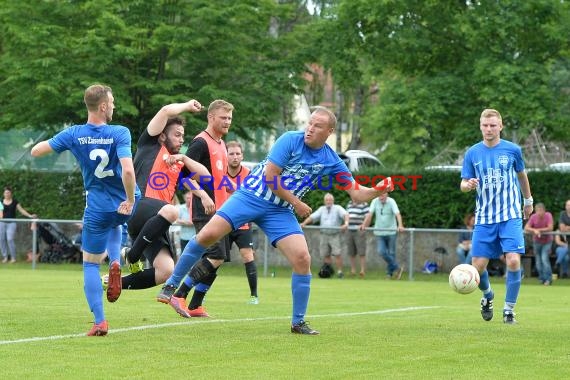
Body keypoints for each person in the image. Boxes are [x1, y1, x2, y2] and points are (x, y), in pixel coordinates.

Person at [157, 105, 394, 335]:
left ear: (329, 132)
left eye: (317, 125)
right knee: (207, 236)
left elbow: (356, 193)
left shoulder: (331, 159)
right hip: (251, 196)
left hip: (278, 211)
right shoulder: (290, 139)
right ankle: (171, 285)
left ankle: (298, 322)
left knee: (303, 258)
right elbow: (271, 178)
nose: (310, 128)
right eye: (309, 122)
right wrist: (299, 204)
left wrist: (377, 190)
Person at [30, 84, 139, 336]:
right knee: (118, 222)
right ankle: (115, 261)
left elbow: (36, 151)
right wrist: (131, 200)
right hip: (126, 202)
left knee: (90, 264)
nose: (113, 106)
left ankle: (100, 321)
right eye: (111, 102)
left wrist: (55, 143)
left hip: (97, 207)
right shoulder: (120, 132)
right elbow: (129, 171)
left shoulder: (74, 134)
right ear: (102, 106)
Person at [119, 100, 212, 291]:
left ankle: (113, 283)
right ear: (162, 136)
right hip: (140, 207)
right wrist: (187, 105)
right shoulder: (150, 143)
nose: (181, 140)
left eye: (183, 137)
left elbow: (205, 176)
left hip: (153, 223)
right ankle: (132, 256)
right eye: (177, 135)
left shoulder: (178, 163)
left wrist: (185, 159)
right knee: (172, 210)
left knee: (166, 271)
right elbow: (164, 110)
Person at [460, 108, 533, 324]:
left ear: (500, 126)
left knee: (512, 261)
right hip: (484, 218)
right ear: (480, 126)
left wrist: (527, 200)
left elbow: (522, 175)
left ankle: (509, 309)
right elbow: (463, 184)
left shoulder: (512, 150)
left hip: (510, 215)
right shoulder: (472, 153)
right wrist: (468, 185)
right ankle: (488, 296)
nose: (489, 129)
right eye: (485, 125)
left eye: (493, 125)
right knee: (478, 267)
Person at [165, 99, 234, 318]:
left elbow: (218, 178)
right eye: (223, 117)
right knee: (215, 256)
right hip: (205, 209)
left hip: (222, 210)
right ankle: (179, 294)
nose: (227, 122)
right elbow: (183, 177)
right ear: (211, 117)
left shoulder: (222, 144)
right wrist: (203, 195)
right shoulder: (200, 143)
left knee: (219, 259)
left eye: (230, 118)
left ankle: (195, 305)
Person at [225, 140, 259, 304]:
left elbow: (253, 196)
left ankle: (254, 296)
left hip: (242, 223)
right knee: (214, 259)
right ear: (226, 155)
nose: (235, 157)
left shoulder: (248, 173)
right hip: (222, 222)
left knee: (248, 256)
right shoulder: (219, 173)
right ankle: (199, 296)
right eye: (231, 153)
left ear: (242, 155)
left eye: (238, 153)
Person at [300, 193, 349, 278]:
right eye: (327, 200)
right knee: (325, 254)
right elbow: (312, 217)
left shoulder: (338, 208)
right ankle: (328, 272)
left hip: (334, 235)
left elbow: (346, 214)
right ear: (324, 201)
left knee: (337, 254)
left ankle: (340, 272)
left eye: (330, 200)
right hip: (324, 235)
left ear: (333, 201)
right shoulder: (322, 209)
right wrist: (304, 223)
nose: (328, 201)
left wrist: (346, 223)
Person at [361, 193, 405, 280]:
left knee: (391, 253)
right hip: (379, 232)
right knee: (381, 251)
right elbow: (369, 214)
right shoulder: (374, 201)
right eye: (379, 195)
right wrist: (364, 225)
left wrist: (400, 225)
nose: (381, 197)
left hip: (391, 231)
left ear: (386, 195)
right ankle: (397, 268)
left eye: (382, 195)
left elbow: (397, 214)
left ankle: (389, 274)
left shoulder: (392, 201)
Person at [0, 186, 37, 263]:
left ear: (11, 194)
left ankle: (13, 258)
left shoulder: (15, 202)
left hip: (12, 223)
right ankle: (5, 257)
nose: (7, 194)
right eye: (5, 193)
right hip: (2, 223)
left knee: (10, 239)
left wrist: (30, 216)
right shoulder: (0, 201)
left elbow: (21, 210)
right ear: (3, 193)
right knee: (2, 240)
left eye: (8, 193)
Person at [524, 203, 554, 285]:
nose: (539, 213)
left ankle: (548, 279)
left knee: (544, 259)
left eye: (541, 211)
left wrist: (538, 230)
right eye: (537, 211)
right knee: (538, 261)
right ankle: (542, 278)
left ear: (544, 211)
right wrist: (534, 231)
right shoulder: (533, 217)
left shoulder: (548, 215)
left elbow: (550, 227)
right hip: (537, 242)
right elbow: (526, 228)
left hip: (547, 241)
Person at [345, 200, 370, 277]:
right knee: (351, 252)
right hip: (349, 230)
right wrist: (346, 224)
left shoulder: (364, 204)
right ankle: (353, 270)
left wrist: (363, 225)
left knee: (361, 252)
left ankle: (362, 270)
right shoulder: (349, 204)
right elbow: (347, 215)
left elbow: (368, 216)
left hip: (359, 231)